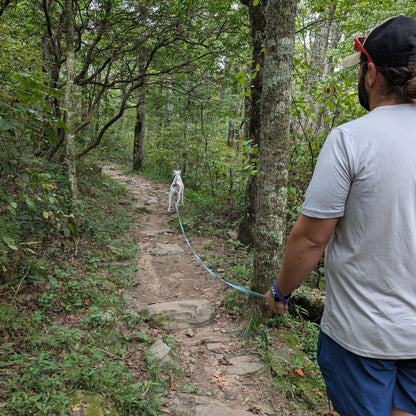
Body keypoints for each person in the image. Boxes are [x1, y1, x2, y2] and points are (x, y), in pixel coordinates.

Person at [265, 15, 416, 416]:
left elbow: (313, 238)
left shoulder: (351, 139)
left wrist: (281, 293)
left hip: (361, 337)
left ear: (371, 74)